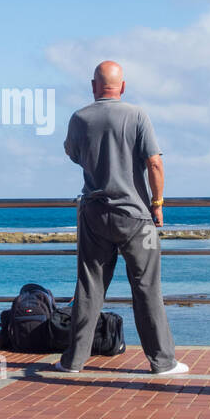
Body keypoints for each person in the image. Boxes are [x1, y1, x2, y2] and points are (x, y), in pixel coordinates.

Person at [56, 61, 186, 375]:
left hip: (94, 214)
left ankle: (73, 361)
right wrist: (157, 203)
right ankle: (162, 361)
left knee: (89, 288)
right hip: (137, 218)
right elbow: (154, 163)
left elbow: (72, 153)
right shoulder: (137, 115)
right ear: (122, 87)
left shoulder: (79, 118)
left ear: (93, 86)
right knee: (146, 287)